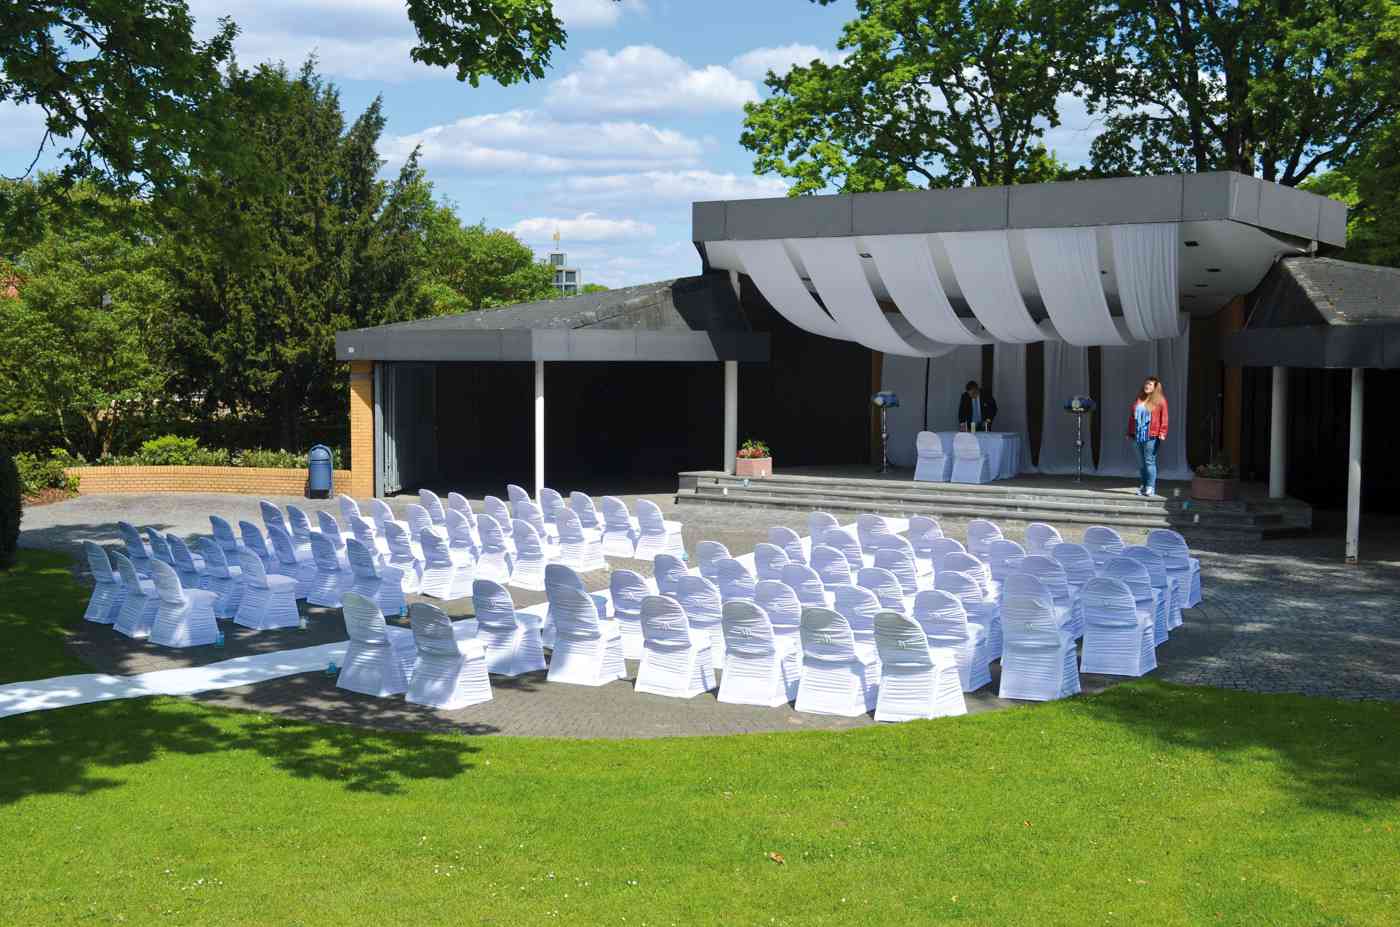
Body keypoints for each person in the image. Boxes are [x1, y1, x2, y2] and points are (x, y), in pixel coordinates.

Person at [1126, 376, 1169, 496]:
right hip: (1137, 435)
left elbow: (1164, 417)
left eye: (1150, 384)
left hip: (1151, 435)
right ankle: (1144, 486)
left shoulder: (1160, 400)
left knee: (1149, 462)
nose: (1146, 386)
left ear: (1155, 387)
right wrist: (1129, 432)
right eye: (1146, 384)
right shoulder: (1139, 399)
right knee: (1141, 464)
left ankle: (1150, 487)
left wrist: (1163, 432)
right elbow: (1132, 417)